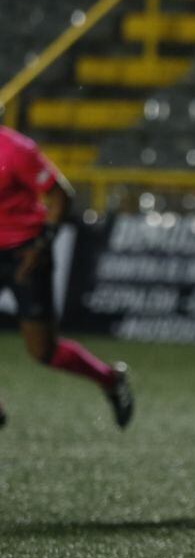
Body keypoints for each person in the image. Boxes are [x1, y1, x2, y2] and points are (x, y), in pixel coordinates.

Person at [0, 125, 133, 428]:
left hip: (25, 253)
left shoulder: (16, 150)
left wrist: (42, 245)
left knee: (43, 351)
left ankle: (110, 379)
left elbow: (60, 196)